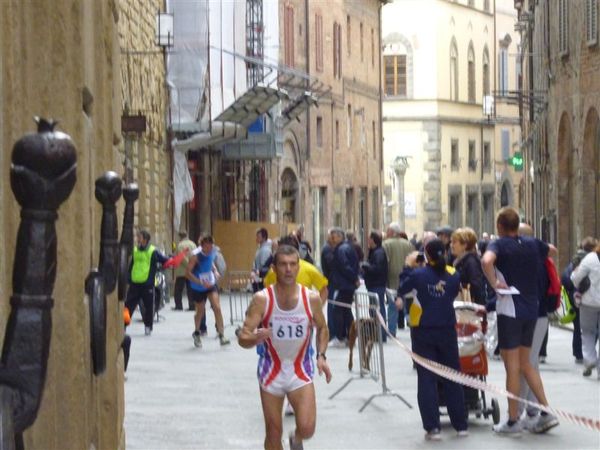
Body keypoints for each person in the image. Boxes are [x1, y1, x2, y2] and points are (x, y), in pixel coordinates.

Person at [238, 245, 332, 450]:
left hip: (300, 368)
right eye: (283, 264)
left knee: (307, 428)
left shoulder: (311, 299)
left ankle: (296, 439)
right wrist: (255, 338)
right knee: (273, 431)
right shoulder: (262, 299)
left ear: (299, 267)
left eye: (292, 264)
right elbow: (243, 336)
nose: (288, 269)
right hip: (271, 370)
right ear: (273, 268)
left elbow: (323, 328)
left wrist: (322, 356)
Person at [481, 207, 559, 435]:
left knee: (512, 367)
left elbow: (487, 261)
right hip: (532, 308)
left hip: (510, 308)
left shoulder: (499, 244)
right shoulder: (532, 243)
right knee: (526, 364)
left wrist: (495, 282)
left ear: (499, 226)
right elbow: (552, 250)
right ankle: (545, 410)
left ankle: (513, 419)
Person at [396, 239, 468, 441]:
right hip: (446, 328)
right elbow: (453, 292)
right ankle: (460, 424)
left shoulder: (417, 275)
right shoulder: (454, 275)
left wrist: (407, 266)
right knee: (452, 376)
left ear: (425, 255)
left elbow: (402, 287)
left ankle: (433, 427)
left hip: (423, 329)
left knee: (427, 378)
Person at [186, 234, 230, 348]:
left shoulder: (213, 251)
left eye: (211, 246)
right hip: (198, 286)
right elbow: (188, 273)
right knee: (200, 311)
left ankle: (221, 335)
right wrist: (199, 282)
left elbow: (211, 262)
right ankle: (196, 332)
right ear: (202, 246)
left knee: (217, 307)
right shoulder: (195, 256)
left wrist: (215, 271)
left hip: (210, 283)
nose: (210, 249)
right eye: (207, 247)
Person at [125, 229, 169, 336]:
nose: (137, 239)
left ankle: (148, 326)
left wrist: (171, 260)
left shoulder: (153, 251)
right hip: (135, 283)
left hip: (147, 284)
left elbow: (164, 260)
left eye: (139, 237)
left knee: (149, 307)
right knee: (128, 307)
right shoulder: (135, 250)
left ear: (145, 239)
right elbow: (131, 266)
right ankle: (124, 325)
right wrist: (128, 278)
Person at [263, 235, 328, 306]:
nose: (288, 269)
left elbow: (324, 289)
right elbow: (267, 290)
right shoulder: (273, 271)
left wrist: (315, 310)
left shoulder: (309, 269)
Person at [562, 237, 598, 364]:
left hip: (582, 299)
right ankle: (591, 357)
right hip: (590, 299)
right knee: (592, 330)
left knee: (581, 328)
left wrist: (573, 291)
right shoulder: (591, 259)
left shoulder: (579, 259)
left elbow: (568, 278)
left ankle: (583, 356)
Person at [570, 240, 600, 379]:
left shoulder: (590, 258)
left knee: (588, 332)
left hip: (589, 302)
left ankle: (589, 360)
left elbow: (576, 278)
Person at [328, 227, 359, 346]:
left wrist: (353, 278)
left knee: (339, 311)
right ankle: (349, 336)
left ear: (340, 236)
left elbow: (345, 267)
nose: (332, 239)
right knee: (346, 310)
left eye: (334, 236)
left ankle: (341, 337)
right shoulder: (346, 247)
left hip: (343, 285)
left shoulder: (341, 249)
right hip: (347, 285)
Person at [383, 223, 414, 334]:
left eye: (387, 231)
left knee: (392, 305)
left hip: (392, 278)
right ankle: (413, 328)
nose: (386, 233)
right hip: (407, 277)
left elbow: (384, 262)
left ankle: (392, 330)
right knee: (408, 304)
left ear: (391, 232)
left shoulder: (386, 244)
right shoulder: (408, 244)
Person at [361, 230, 389, 342]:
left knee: (377, 309)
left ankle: (381, 334)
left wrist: (366, 266)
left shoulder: (379, 253)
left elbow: (377, 269)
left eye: (369, 239)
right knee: (374, 309)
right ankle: (376, 333)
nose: (367, 241)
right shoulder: (374, 252)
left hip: (377, 284)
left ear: (373, 240)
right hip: (373, 284)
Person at [450, 227, 485, 305]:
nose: (451, 245)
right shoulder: (460, 260)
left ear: (464, 245)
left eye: (454, 242)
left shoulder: (471, 262)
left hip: (470, 307)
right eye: (451, 242)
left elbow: (476, 286)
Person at [173, 231, 197, 311]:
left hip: (182, 271)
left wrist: (188, 265)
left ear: (180, 237)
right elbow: (195, 255)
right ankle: (192, 305)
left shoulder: (180, 245)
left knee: (178, 289)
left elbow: (181, 257)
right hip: (191, 271)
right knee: (190, 288)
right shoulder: (193, 244)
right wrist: (192, 266)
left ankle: (179, 305)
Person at [252, 228, 272, 293]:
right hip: (258, 276)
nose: (256, 238)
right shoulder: (260, 248)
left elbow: (264, 265)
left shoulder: (265, 250)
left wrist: (258, 272)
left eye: (258, 237)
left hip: (260, 278)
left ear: (264, 238)